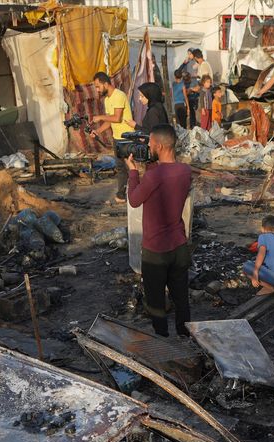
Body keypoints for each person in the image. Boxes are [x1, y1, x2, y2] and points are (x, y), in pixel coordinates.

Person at [125, 124, 192, 337]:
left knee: (155, 301)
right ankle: (185, 336)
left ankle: (162, 340)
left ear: (160, 146)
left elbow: (135, 200)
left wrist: (134, 172)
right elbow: (165, 177)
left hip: (156, 249)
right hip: (179, 245)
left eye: (151, 144)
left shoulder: (153, 177)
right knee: (181, 297)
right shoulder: (185, 171)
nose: (149, 147)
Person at [91, 72, 135, 205]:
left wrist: (100, 117)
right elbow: (111, 121)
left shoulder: (119, 95)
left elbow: (117, 118)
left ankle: (132, 193)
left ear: (106, 83)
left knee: (130, 166)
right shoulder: (107, 100)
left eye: (98, 86)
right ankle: (122, 194)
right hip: (117, 138)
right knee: (121, 167)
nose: (97, 90)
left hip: (127, 137)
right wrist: (98, 131)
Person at [243, 215, 274, 296]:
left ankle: (269, 287)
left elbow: (261, 253)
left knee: (246, 266)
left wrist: (255, 272)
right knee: (263, 266)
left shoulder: (263, 237)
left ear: (262, 229)